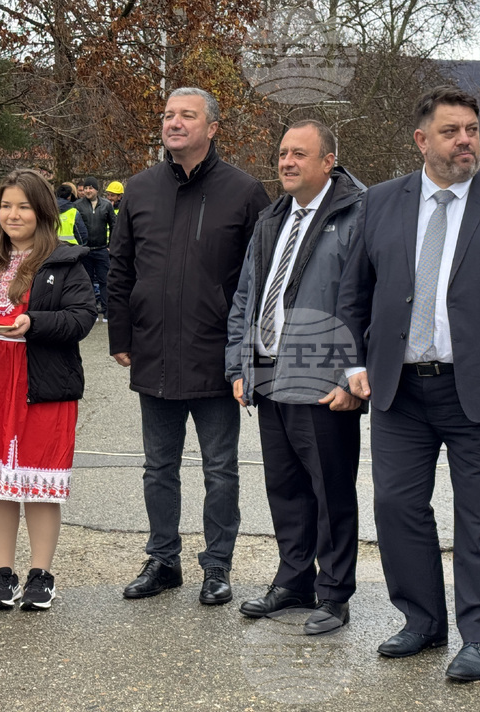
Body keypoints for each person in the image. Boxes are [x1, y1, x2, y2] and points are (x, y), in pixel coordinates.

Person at [336, 85, 480, 681]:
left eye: (472, 129)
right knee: (396, 506)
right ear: (421, 140)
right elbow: (353, 292)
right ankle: (421, 621)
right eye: (451, 131)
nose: (465, 140)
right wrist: (354, 364)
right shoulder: (382, 202)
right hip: (398, 389)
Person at [109, 87, 270, 606]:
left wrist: (247, 353)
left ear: (213, 127)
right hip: (153, 352)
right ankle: (163, 560)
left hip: (215, 357)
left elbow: (260, 280)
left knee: (219, 468)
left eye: (187, 115)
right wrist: (121, 333)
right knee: (158, 467)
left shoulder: (244, 193)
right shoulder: (139, 189)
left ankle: (217, 566)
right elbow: (120, 269)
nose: (174, 123)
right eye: (168, 115)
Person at [226, 120, 365, 634]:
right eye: (282, 153)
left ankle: (333, 593)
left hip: (323, 377)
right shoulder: (272, 218)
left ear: (328, 160)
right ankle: (294, 579)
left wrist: (352, 377)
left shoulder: (356, 215)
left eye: (299, 154)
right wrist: (238, 364)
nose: (286, 162)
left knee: (330, 490)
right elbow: (247, 295)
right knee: (284, 488)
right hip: (268, 373)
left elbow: (366, 303)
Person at [0, 169, 96, 611]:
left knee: (39, 482)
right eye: (6, 205)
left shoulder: (64, 259)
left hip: (42, 381)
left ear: (42, 211)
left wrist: (35, 323)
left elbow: (82, 317)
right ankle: (2, 574)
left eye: (24, 206)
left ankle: (40, 575)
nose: (13, 214)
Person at [74, 176, 115, 321]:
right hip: (86, 251)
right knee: (87, 281)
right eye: (85, 188)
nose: (87, 191)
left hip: (102, 249)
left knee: (105, 281)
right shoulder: (78, 205)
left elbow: (114, 226)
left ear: (97, 189)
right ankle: (90, 312)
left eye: (90, 188)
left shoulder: (106, 205)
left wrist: (111, 245)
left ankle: (106, 311)